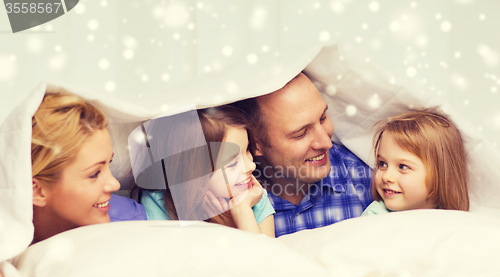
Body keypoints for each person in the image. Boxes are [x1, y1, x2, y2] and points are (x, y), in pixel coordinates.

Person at [231, 73, 373, 237]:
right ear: (254, 143)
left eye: (322, 118)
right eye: (300, 134)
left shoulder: (369, 181)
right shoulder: (225, 203)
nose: (327, 143)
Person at [138, 106, 275, 237]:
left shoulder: (254, 197)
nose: (251, 165)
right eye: (232, 163)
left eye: (247, 150)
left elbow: (269, 260)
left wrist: (242, 212)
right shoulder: (158, 205)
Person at [31, 93, 146, 243]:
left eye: (108, 163)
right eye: (94, 174)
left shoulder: (132, 226)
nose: (115, 184)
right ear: (37, 191)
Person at [361, 109, 469, 215]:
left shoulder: (453, 219)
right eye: (382, 164)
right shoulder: (375, 217)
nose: (386, 177)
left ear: (441, 174)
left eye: (402, 167)